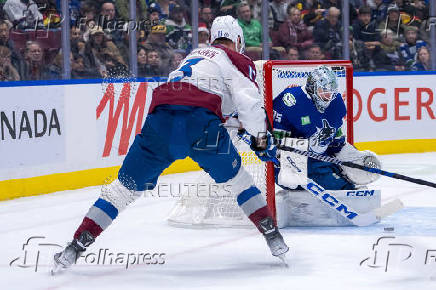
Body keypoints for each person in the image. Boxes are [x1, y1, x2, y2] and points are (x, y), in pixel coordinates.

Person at [52, 15, 289, 273]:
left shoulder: (193, 56)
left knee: (123, 189)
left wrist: (239, 124)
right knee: (239, 182)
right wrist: (262, 141)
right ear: (239, 40)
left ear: (211, 38)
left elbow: (202, 97)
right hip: (201, 126)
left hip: (160, 121)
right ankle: (272, 236)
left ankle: (75, 246)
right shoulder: (236, 60)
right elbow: (250, 105)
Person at [272, 65, 381, 191]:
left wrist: (352, 157)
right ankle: (343, 190)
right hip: (292, 164)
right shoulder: (291, 100)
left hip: (320, 159)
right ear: (312, 87)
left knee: (361, 165)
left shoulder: (336, 103)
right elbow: (273, 136)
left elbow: (336, 141)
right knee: (331, 182)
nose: (328, 95)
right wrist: (280, 153)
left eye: (331, 90)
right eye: (323, 90)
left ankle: (345, 185)